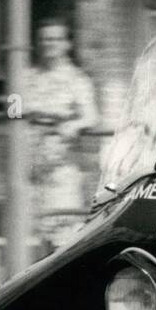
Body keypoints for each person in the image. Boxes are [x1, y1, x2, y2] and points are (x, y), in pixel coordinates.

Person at [23, 19, 97, 249]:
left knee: (62, 230)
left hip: (61, 163)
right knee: (33, 232)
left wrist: (72, 126)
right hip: (31, 161)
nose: (49, 44)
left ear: (66, 44)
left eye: (55, 39)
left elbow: (92, 116)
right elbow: (12, 110)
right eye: (45, 39)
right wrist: (28, 111)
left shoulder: (78, 79)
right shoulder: (27, 76)